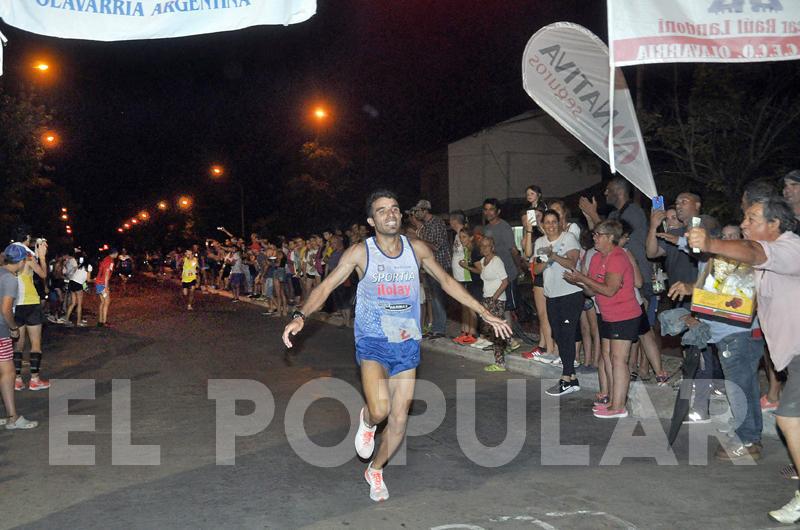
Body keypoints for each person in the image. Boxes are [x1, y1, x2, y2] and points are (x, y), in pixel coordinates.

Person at [282, 190, 511, 502]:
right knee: (380, 410)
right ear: (370, 220)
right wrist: (300, 316)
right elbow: (326, 286)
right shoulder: (361, 253)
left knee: (400, 419)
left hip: (405, 339)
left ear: (401, 215)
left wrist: (484, 311)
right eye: (381, 211)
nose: (390, 214)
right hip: (373, 339)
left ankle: (375, 470)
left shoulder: (415, 249)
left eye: (394, 209)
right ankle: (367, 421)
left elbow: (446, 282)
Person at [685, 194, 800, 523]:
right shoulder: (767, 262)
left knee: (790, 418)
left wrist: (711, 241)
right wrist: (691, 290)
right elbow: (729, 297)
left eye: (752, 218)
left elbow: (751, 250)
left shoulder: (789, 248)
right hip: (792, 359)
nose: (745, 224)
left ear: (775, 224)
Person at [565, 220, 643, 419]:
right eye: (594, 234)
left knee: (619, 360)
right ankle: (611, 400)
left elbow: (609, 289)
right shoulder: (597, 257)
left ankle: (619, 406)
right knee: (607, 357)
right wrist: (579, 281)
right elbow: (592, 290)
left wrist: (583, 279)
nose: (594, 237)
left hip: (624, 314)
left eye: (599, 234)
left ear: (610, 238)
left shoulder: (618, 257)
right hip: (607, 314)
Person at [528, 210, 584, 395]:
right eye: (547, 222)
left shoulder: (568, 238)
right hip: (551, 295)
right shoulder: (540, 242)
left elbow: (572, 263)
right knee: (558, 335)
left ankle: (566, 377)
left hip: (570, 293)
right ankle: (571, 377)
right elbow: (536, 269)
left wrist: (553, 255)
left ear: (559, 223)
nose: (551, 225)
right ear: (542, 224)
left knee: (567, 334)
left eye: (554, 221)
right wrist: (545, 262)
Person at [0, 244, 39, 429]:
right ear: (22, 261)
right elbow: (6, 309)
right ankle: (12, 418)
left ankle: (9, 416)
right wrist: (13, 328)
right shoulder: (10, 279)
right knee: (7, 373)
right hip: (1, 331)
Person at [10, 235, 50, 392]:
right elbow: (43, 275)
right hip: (31, 303)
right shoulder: (28, 257)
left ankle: (17, 380)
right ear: (27, 238)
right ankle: (34, 379)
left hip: (15, 304)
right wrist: (42, 257)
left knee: (17, 345)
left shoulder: (9, 255)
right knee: (35, 345)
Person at [483, 198, 522, 351]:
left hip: (507, 274)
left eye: (491, 209)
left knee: (506, 308)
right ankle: (500, 340)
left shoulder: (504, 227)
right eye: (485, 209)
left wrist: (519, 269)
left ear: (498, 211)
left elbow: (513, 250)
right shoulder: (486, 228)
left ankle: (510, 340)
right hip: (493, 277)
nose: (488, 212)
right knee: (495, 308)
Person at [465, 236, 509, 371]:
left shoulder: (497, 261)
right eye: (482, 246)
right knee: (488, 328)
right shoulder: (483, 261)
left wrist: (494, 299)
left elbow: (505, 281)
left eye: (487, 245)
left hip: (497, 300)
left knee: (495, 330)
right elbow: (480, 272)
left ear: (492, 247)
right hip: (487, 298)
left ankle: (500, 362)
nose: (484, 248)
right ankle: (507, 344)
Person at [413, 200, 451, 339]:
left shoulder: (437, 223)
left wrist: (418, 240)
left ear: (425, 210)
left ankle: (440, 329)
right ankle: (435, 327)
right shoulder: (426, 226)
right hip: (428, 266)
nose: (416, 214)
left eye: (418, 211)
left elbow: (436, 246)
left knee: (438, 298)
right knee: (432, 298)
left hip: (439, 264)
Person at [450, 212, 477, 344]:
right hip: (459, 276)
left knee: (469, 305)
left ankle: (472, 333)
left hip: (467, 277)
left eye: (464, 237)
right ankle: (464, 331)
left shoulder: (469, 245)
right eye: (461, 237)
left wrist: (466, 266)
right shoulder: (457, 236)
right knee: (463, 306)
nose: (462, 239)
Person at [64, 252, 90, 327]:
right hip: (78, 284)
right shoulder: (89, 267)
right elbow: (88, 280)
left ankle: (66, 320)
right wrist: (95, 280)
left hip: (72, 282)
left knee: (73, 303)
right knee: (79, 304)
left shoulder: (80, 266)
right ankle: (78, 322)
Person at [95, 249, 119, 327]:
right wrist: (106, 287)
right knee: (107, 301)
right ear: (115, 253)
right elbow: (106, 274)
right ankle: (104, 322)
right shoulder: (111, 261)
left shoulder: (105, 259)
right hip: (102, 284)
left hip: (98, 283)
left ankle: (100, 321)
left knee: (102, 301)